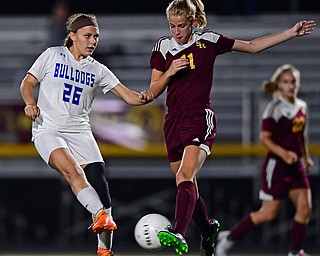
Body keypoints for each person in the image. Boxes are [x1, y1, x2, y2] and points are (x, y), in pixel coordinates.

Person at [148, 0, 316, 255]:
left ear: (193, 23)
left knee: (184, 177)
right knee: (187, 184)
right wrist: (169, 72)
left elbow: (252, 46)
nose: (176, 32)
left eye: (181, 26)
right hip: (172, 121)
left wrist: (290, 32)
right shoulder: (163, 46)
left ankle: (179, 233)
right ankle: (207, 231)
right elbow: (153, 90)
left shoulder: (210, 41)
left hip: (198, 118)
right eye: (172, 26)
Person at [20, 13, 153, 256]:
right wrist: (30, 102)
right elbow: (27, 83)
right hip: (48, 128)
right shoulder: (53, 55)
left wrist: (150, 93)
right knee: (73, 171)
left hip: (80, 132)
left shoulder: (98, 69)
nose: (93, 41)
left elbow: (130, 97)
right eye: (87, 36)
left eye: (96, 37)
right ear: (72, 36)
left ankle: (104, 251)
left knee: (102, 190)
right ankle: (100, 216)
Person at [216, 64, 314, 256]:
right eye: (286, 82)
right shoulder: (274, 108)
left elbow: (300, 135)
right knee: (268, 213)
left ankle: (295, 252)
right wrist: (284, 154)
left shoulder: (301, 106)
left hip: (296, 167)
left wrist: (306, 157)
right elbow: (264, 138)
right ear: (278, 84)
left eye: (293, 81)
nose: (290, 85)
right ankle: (229, 237)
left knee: (305, 208)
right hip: (276, 166)